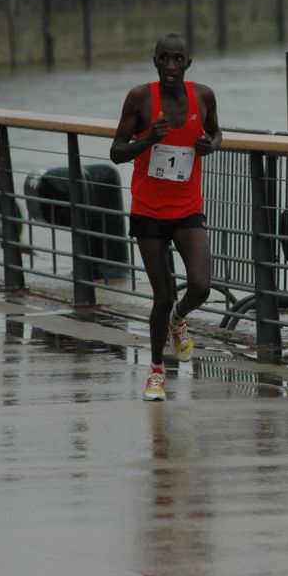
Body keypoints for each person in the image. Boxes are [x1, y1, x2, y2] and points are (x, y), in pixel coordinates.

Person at [110, 34, 220, 402]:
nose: (171, 66)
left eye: (178, 59)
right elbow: (116, 152)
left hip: (188, 208)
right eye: (164, 59)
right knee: (162, 294)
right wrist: (146, 140)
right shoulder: (140, 98)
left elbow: (217, 131)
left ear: (188, 63)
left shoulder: (203, 96)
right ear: (154, 61)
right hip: (149, 211)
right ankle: (156, 371)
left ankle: (179, 318)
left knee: (201, 285)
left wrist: (212, 144)